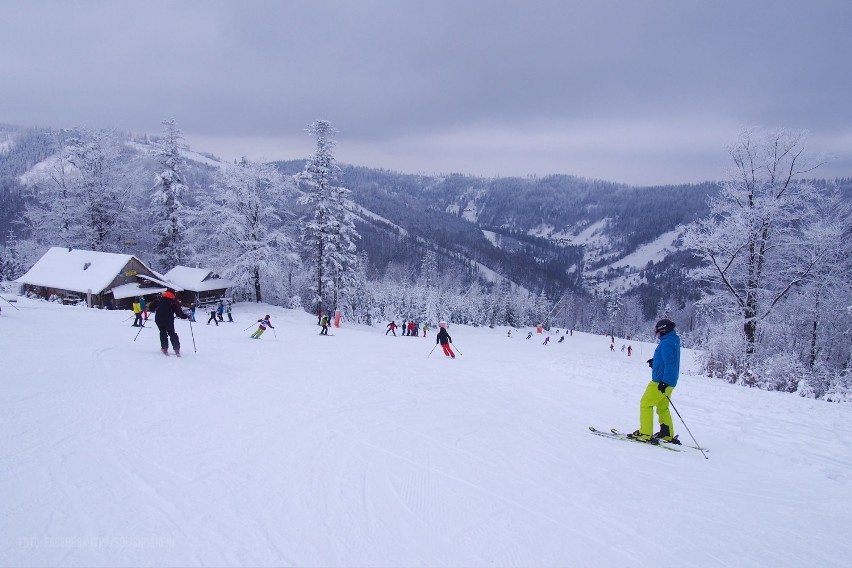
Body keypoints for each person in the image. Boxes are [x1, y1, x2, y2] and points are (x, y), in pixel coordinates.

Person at [629, 319, 681, 445]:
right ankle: (666, 433)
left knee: (645, 403)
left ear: (663, 330)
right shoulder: (672, 341)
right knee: (662, 407)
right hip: (671, 382)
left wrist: (664, 382)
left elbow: (670, 363)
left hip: (660, 382)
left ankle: (645, 433)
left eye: (657, 331)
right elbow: (668, 360)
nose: (656, 333)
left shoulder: (666, 344)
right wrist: (655, 362)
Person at [154, 290, 187, 356]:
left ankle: (164, 348)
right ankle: (176, 349)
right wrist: (186, 316)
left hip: (158, 319)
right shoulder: (174, 302)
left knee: (162, 333)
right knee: (172, 333)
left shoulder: (158, 300)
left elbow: (151, 307)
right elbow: (179, 314)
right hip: (168, 320)